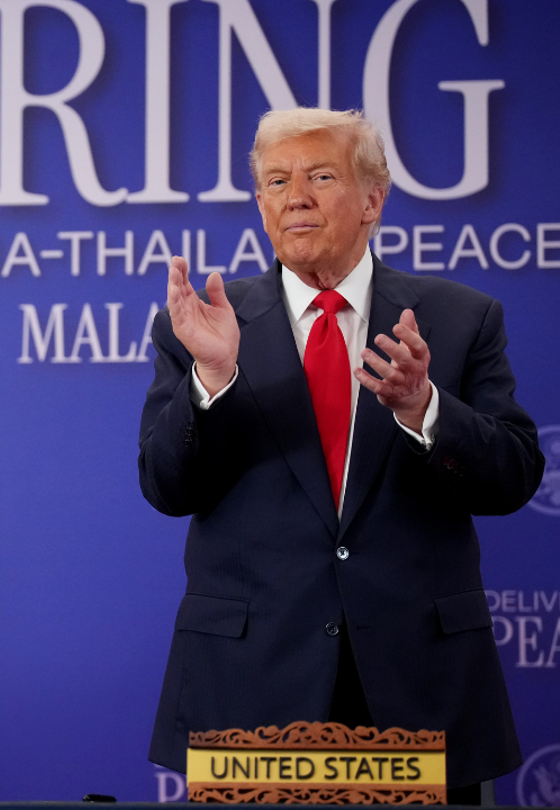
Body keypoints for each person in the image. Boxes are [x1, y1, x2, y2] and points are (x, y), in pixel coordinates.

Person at [139, 108, 542, 800]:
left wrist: (426, 408)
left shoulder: (460, 318)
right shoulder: (204, 327)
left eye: (321, 176)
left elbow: (512, 478)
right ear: (261, 203)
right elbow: (169, 488)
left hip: (419, 689)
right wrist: (212, 380)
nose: (295, 195)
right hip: (250, 691)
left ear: (373, 200)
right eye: (274, 180)